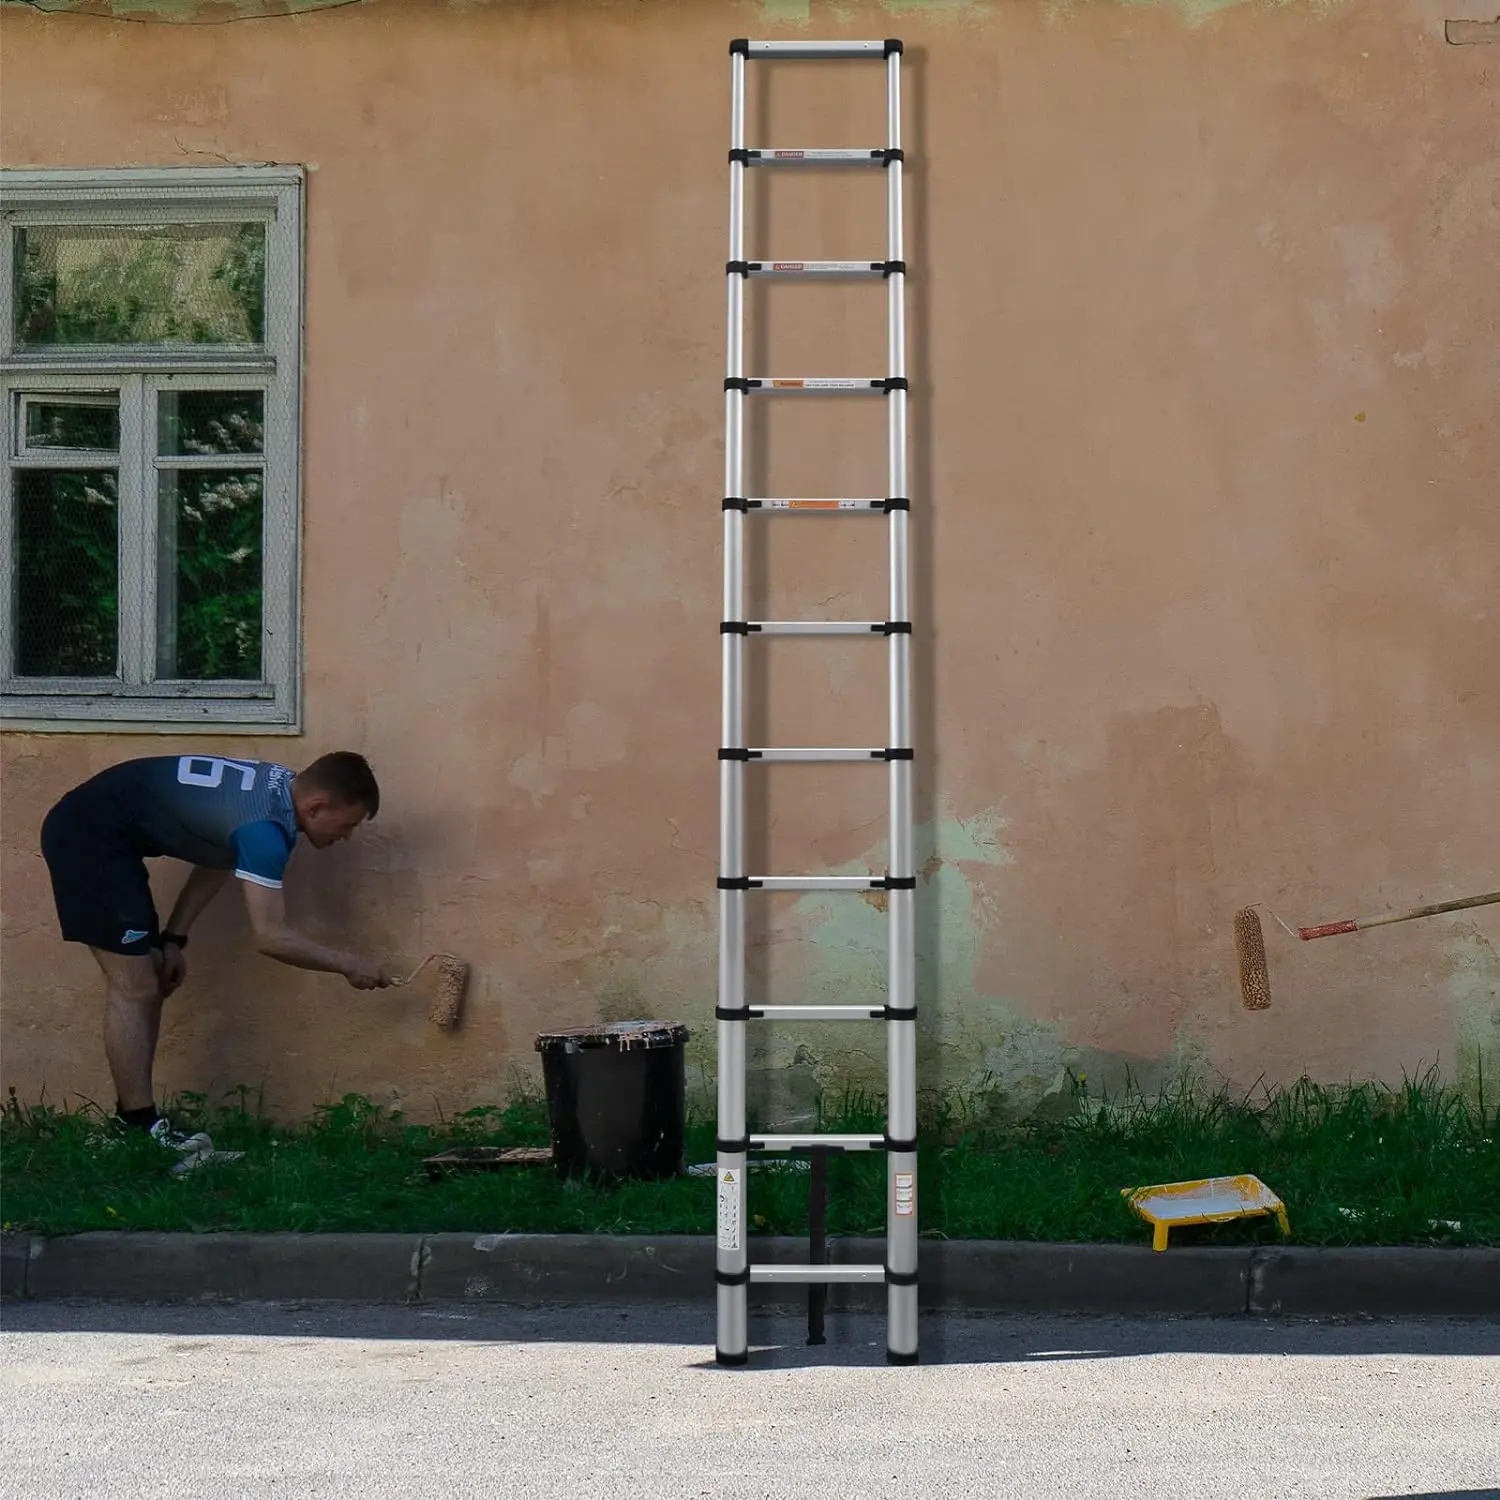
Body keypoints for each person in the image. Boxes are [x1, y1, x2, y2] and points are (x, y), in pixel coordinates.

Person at [39, 750, 392, 1154]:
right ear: (317, 806)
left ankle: (133, 1121)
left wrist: (175, 938)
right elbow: (271, 937)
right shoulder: (265, 831)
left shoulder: (277, 788)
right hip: (87, 837)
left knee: (148, 978)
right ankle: (136, 1126)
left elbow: (219, 855)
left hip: (110, 837)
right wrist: (349, 963)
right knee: (134, 987)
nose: (345, 837)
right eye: (346, 825)